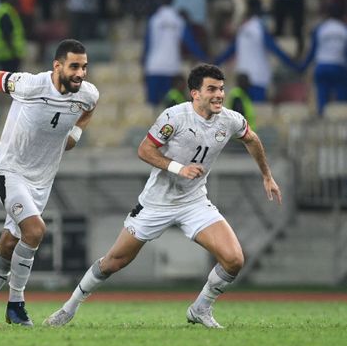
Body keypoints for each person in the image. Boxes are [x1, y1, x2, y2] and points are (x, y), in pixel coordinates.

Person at [44, 64, 282, 329]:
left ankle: (201, 308)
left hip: (194, 202)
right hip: (156, 203)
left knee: (234, 259)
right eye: (211, 89)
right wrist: (180, 168)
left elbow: (252, 139)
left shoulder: (230, 119)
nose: (219, 95)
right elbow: (144, 150)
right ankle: (69, 308)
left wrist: (266, 175)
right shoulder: (174, 118)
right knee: (113, 262)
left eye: (221, 89)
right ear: (195, 93)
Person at [0, 39, 99, 326]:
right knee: (35, 231)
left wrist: (75, 134)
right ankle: (17, 304)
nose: (80, 73)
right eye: (74, 66)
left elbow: (87, 111)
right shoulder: (31, 85)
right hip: (10, 171)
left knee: (10, 241)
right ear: (57, 66)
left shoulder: (87, 95)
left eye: (84, 67)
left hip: (42, 180)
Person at [214, 0, 298, 102]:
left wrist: (214, 62)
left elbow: (229, 52)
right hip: (258, 78)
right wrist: (294, 66)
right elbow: (275, 50)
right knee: (256, 112)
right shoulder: (258, 28)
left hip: (243, 79)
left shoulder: (242, 30)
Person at [143, 0, 207, 105]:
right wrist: (203, 56)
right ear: (172, 2)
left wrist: (143, 62)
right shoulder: (178, 21)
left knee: (153, 105)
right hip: (172, 67)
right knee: (170, 104)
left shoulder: (154, 20)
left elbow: (148, 44)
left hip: (154, 67)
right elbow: (190, 43)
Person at [300, 3, 347, 114]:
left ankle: (322, 115)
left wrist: (302, 67)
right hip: (338, 66)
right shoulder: (344, 30)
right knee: (341, 95)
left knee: (322, 94)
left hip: (322, 66)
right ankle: (341, 116)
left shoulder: (320, 28)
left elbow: (312, 52)